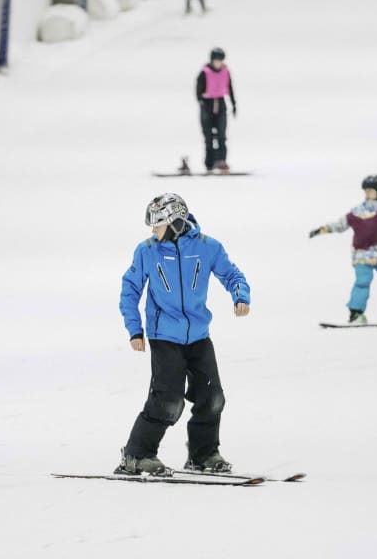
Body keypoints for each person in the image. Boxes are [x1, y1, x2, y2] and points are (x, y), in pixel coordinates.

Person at [116, 193, 251, 476]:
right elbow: (130, 290)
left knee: (212, 397)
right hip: (164, 336)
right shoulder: (147, 251)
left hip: (199, 335)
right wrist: (135, 329)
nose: (152, 230)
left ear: (175, 222)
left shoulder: (207, 247)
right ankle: (137, 455)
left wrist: (240, 295)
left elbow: (232, 275)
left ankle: (203, 454)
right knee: (168, 401)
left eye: (157, 224)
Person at [309, 175, 377, 324]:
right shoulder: (358, 211)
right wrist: (322, 230)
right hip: (362, 255)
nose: (367, 194)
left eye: (371, 191)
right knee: (363, 281)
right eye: (366, 191)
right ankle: (356, 313)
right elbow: (340, 225)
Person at [196, 48, 238, 174]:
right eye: (216, 60)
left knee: (221, 136)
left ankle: (221, 161)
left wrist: (234, 104)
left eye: (220, 60)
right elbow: (198, 89)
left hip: (220, 103)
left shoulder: (225, 72)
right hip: (207, 104)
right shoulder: (205, 72)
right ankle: (209, 163)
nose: (218, 62)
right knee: (208, 137)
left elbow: (229, 88)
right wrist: (201, 101)